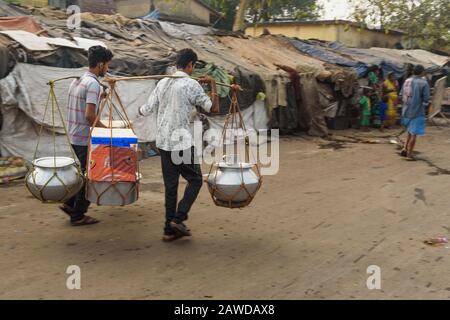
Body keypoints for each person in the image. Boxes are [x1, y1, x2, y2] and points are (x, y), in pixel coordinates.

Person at [139, 48, 221, 242]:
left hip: (163, 142)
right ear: (190, 65)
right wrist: (213, 85)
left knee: (171, 186)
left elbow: (145, 109)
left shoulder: (162, 82)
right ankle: (178, 218)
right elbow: (214, 108)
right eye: (193, 66)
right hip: (181, 143)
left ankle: (168, 230)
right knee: (195, 179)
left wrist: (140, 110)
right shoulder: (191, 85)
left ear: (176, 64)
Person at [60, 46, 113, 226]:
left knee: (85, 174)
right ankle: (78, 215)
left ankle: (69, 204)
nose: (107, 69)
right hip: (84, 138)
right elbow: (90, 116)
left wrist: (101, 95)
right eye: (107, 65)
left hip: (74, 134)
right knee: (93, 176)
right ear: (100, 64)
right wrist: (106, 130)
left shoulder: (78, 81)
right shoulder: (93, 85)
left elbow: (84, 103)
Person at [400, 64, 430, 161]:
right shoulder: (423, 83)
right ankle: (409, 154)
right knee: (414, 134)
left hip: (406, 110)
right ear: (422, 72)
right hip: (417, 111)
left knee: (409, 131)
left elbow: (401, 94)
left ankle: (405, 148)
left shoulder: (407, 81)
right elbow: (426, 99)